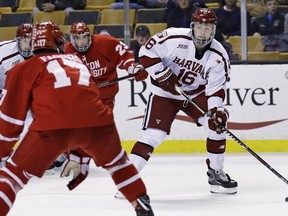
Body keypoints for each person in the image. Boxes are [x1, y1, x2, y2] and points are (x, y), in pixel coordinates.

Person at [0, 21, 154, 216]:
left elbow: (10, 121)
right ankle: (141, 202)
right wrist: (80, 157)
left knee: (12, 176)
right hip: (99, 124)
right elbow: (82, 112)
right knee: (119, 164)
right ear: (60, 42)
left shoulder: (22, 69)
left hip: (51, 128)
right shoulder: (76, 62)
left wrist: (2, 152)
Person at [127, 8, 238, 195]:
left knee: (216, 126)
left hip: (195, 93)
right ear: (192, 26)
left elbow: (216, 89)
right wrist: (160, 73)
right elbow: (146, 52)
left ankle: (216, 173)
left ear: (213, 29)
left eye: (208, 27)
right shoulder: (173, 38)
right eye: (200, 27)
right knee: (153, 135)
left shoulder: (219, 55)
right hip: (165, 93)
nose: (203, 31)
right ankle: (127, 181)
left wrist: (216, 111)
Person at [48, 21, 148, 179]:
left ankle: (79, 156)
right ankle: (69, 154)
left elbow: (125, 56)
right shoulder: (65, 50)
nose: (81, 42)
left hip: (105, 97)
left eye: (84, 38)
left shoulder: (105, 43)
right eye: (77, 38)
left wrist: (133, 68)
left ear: (90, 36)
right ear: (72, 39)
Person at [0, 23, 33, 168]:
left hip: (31, 98)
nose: (28, 45)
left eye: (31, 40)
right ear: (17, 40)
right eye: (24, 40)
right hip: (5, 94)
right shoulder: (3, 51)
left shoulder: (43, 51)